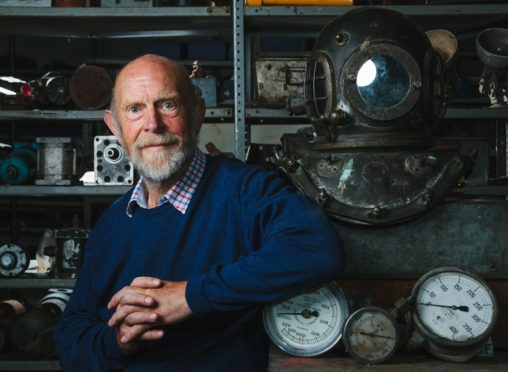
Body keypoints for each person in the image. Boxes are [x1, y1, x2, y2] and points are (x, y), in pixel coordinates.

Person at [54, 54, 344, 371]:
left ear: (196, 113)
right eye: (135, 109)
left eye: (167, 105)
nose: (153, 124)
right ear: (115, 127)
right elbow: (71, 339)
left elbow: (317, 248)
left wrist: (190, 297)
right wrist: (117, 341)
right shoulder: (111, 224)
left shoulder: (245, 191)